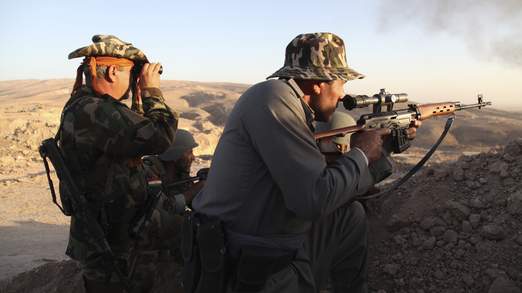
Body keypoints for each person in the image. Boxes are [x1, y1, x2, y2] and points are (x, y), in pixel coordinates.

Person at [188, 32, 419, 293]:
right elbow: (314, 199)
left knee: (348, 216)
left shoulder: (290, 104)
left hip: (271, 238)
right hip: (249, 257)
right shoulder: (274, 98)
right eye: (341, 83)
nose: (343, 94)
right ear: (318, 83)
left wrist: (384, 147)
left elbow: (329, 190)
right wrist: (362, 152)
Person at [58, 35, 178, 293]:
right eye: (133, 73)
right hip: (113, 242)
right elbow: (161, 137)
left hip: (112, 233)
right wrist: (151, 91)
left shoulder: (86, 107)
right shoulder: (95, 110)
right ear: (113, 71)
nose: (135, 80)